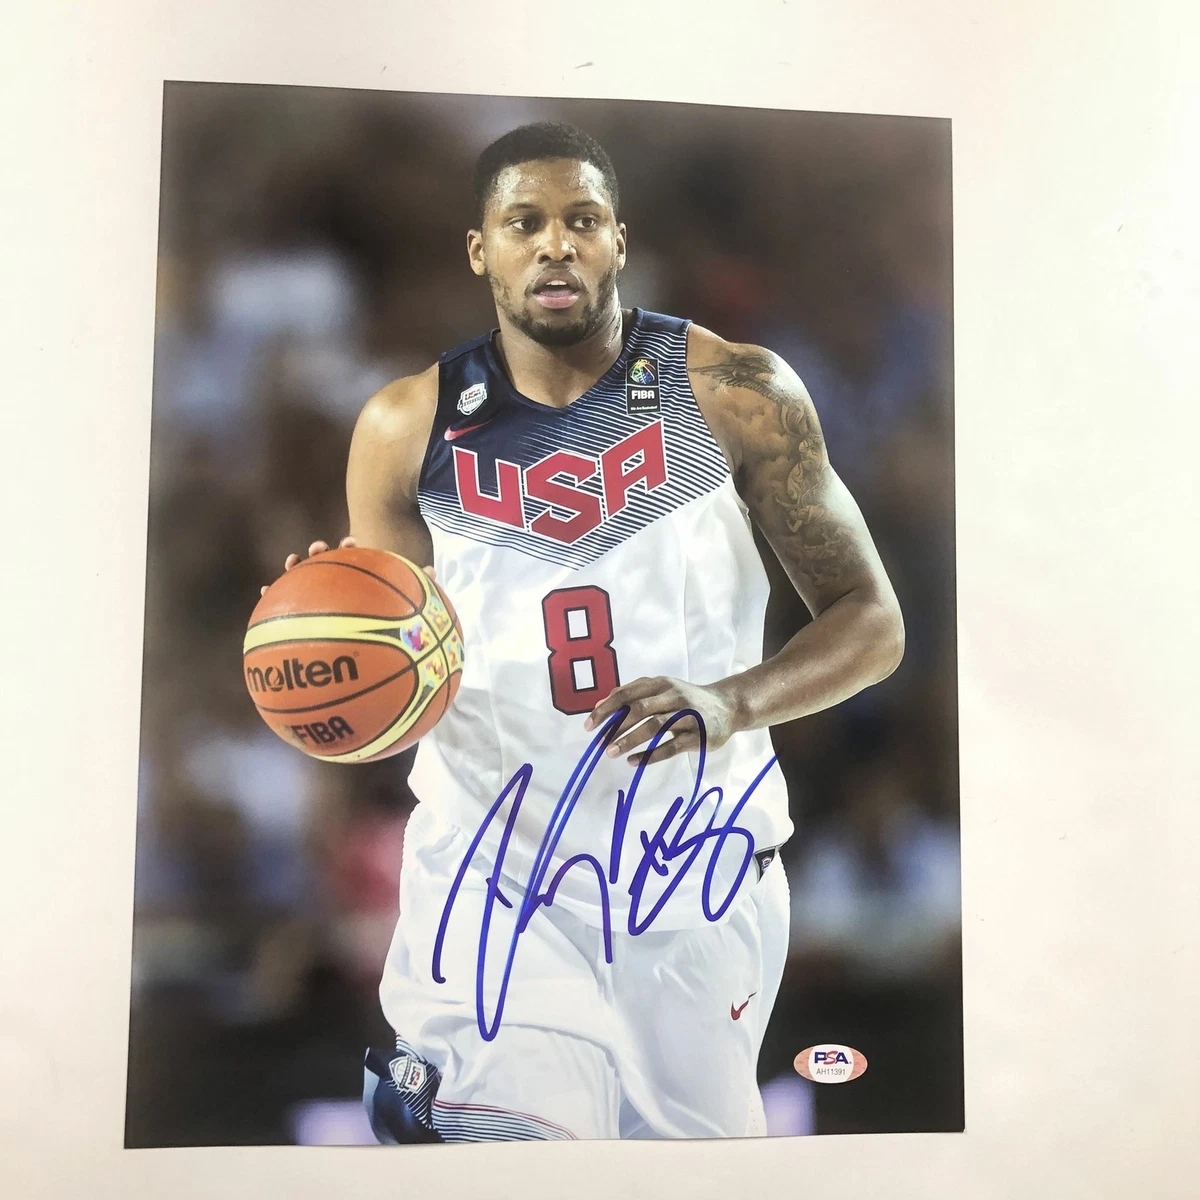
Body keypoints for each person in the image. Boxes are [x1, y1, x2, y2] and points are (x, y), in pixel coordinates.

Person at [267, 121, 904, 1141]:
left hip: (696, 873)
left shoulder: (735, 391)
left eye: (582, 220)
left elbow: (871, 621)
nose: (555, 244)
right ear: (481, 250)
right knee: (514, 1145)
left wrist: (730, 701)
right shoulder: (403, 427)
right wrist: (332, 639)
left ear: (618, 241)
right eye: (524, 223)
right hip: (492, 875)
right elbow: (395, 699)